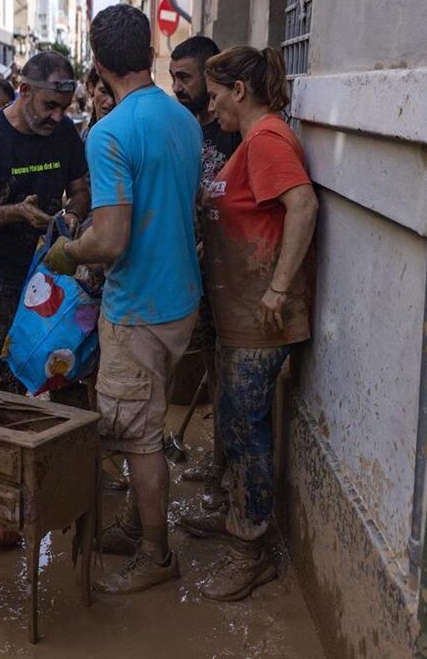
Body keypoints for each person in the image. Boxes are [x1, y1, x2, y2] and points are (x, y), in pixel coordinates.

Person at [43, 4, 203, 594]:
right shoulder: (182, 118)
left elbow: (110, 238)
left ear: (98, 63)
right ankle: (140, 526)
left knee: (137, 435)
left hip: (138, 305)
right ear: (154, 54)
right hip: (181, 298)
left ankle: (157, 554)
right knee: (147, 417)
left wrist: (69, 252)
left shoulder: (110, 132)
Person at [179, 46, 317, 602]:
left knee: (247, 431)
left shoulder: (264, 140)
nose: (211, 108)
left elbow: (302, 206)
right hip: (241, 314)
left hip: (262, 317)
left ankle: (250, 550)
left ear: (239, 91)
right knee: (237, 421)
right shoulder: (253, 141)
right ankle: (239, 515)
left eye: (215, 95)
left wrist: (279, 289)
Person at [0, 51, 90, 395]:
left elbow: (80, 188)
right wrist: (15, 212)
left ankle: (58, 444)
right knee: (7, 380)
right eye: (50, 106)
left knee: (63, 372)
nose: (57, 116)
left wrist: (72, 214)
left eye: (64, 107)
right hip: (0, 282)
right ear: (24, 90)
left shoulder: (65, 134)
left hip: (54, 274)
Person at [169, 35, 242, 510]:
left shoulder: (235, 131)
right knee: (214, 369)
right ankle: (218, 463)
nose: (177, 87)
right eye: (173, 77)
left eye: (185, 78)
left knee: (232, 380)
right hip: (202, 271)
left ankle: (230, 478)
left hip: (234, 275)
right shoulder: (190, 128)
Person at [82, 66, 115, 142]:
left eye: (115, 94)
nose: (111, 101)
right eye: (104, 92)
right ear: (91, 87)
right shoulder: (84, 136)